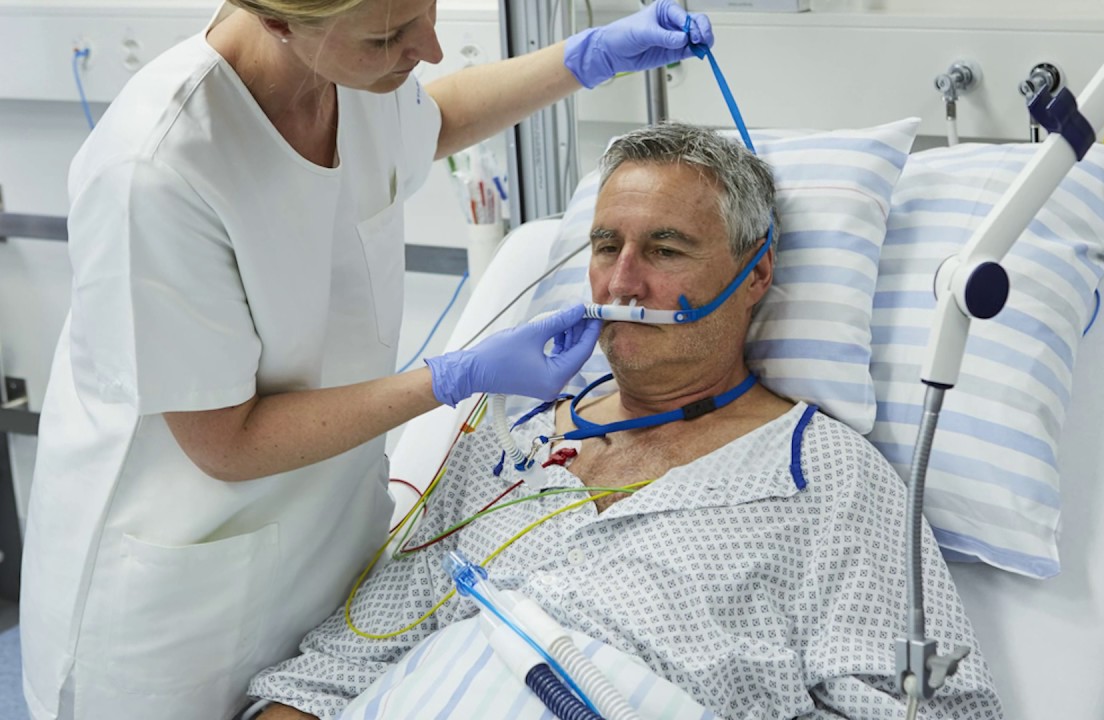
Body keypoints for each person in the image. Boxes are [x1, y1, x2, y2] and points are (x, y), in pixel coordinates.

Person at [19, 2, 715, 718]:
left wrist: (586, 59)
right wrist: (452, 379)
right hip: (177, 595)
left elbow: (429, 122)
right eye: (389, 37)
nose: (431, 49)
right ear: (279, 22)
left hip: (329, 555)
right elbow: (226, 443)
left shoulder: (345, 73)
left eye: (427, 10)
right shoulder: (157, 170)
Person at [246, 123, 1004, 720]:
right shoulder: (508, 445)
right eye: (606, 246)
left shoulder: (828, 478)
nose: (621, 281)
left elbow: (931, 707)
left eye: (665, 250)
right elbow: (336, 669)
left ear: (756, 274)